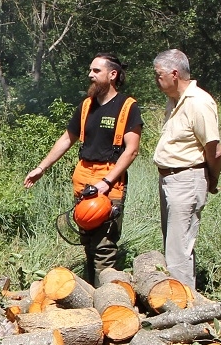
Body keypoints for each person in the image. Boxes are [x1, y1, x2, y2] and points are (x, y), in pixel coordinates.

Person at [24, 54, 144, 282]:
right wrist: (42, 167)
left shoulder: (128, 107)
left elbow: (131, 151)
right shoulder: (86, 106)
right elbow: (67, 139)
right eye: (91, 70)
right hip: (83, 180)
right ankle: (89, 297)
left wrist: (106, 182)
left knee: (103, 249)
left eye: (96, 71)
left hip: (109, 182)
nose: (90, 75)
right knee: (88, 244)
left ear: (112, 75)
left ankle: (108, 300)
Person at [151, 49, 221, 289]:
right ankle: (179, 300)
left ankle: (183, 311)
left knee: (178, 250)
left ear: (174, 73)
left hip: (187, 177)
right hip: (170, 178)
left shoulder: (198, 102)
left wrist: (211, 180)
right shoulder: (173, 101)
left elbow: (214, 149)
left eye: (158, 74)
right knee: (173, 244)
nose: (155, 79)